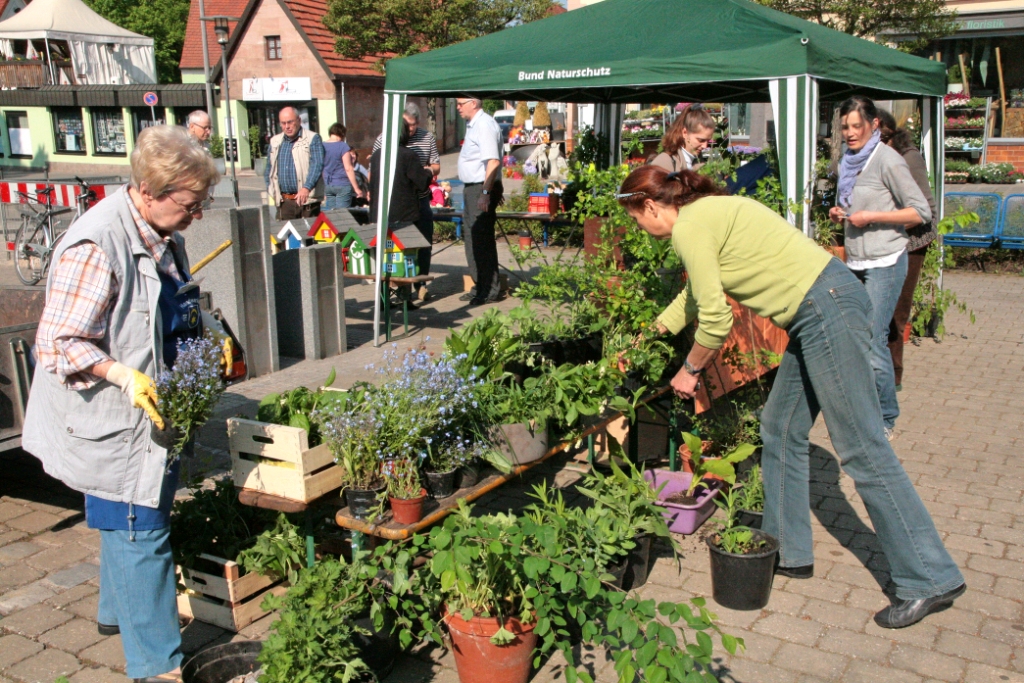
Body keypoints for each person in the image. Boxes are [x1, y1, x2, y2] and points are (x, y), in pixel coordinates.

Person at [616, 165, 965, 629]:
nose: (641, 228)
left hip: (826, 310)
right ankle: (789, 550)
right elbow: (694, 300)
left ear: (652, 205)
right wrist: (645, 338)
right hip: (821, 308)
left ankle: (930, 578)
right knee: (779, 428)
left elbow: (715, 321)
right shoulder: (704, 214)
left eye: (638, 219)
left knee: (862, 450)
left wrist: (690, 370)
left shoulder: (691, 227)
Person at [21, 125, 227, 682]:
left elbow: (167, 302)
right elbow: (58, 342)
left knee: (126, 509)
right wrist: (122, 373)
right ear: (150, 190)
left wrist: (210, 331)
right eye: (191, 203)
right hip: (112, 413)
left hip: (150, 408)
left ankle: (116, 614)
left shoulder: (161, 231)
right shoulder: (97, 244)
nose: (198, 214)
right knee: (139, 526)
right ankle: (155, 665)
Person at [828, 96, 931, 440]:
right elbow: (855, 200)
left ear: (873, 125)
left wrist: (872, 217)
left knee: (872, 340)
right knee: (856, 337)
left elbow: (920, 212)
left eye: (857, 126)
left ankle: (886, 417)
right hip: (856, 259)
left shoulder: (888, 160)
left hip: (886, 261)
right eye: (845, 127)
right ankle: (863, 408)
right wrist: (840, 212)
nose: (850, 132)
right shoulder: (848, 161)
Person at [876, 109, 939, 391]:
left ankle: (894, 377)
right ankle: (879, 373)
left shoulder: (909, 157)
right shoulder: (870, 157)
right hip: (882, 240)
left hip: (912, 242)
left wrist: (891, 218)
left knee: (896, 312)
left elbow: (928, 209)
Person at [373, 103, 441, 298]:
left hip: (420, 200)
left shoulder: (426, 138)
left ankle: (420, 283)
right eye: (406, 125)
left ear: (418, 122)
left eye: (412, 125)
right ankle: (401, 285)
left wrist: (427, 171)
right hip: (399, 202)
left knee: (424, 242)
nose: (409, 129)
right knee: (399, 246)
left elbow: (436, 166)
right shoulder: (382, 140)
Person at [456, 97, 505, 305]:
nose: (457, 107)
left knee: (481, 239)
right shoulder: (473, 125)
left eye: (460, 103)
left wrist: (486, 192)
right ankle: (479, 285)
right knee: (472, 237)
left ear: (473, 103)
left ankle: (489, 289)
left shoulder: (484, 124)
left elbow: (493, 161)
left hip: (480, 187)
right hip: (473, 187)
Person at [368, 124, 433, 232]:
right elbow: (422, 183)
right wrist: (428, 171)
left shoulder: (376, 156)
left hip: (379, 215)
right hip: (403, 217)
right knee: (406, 248)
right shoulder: (409, 155)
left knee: (385, 247)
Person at [265, 106, 325, 220]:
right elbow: (269, 168)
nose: (286, 126)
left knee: (308, 236)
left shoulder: (313, 138)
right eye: (283, 123)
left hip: (307, 202)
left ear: (298, 120)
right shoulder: (275, 141)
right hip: (284, 202)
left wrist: (306, 188)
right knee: (285, 236)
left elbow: (317, 165)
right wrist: (271, 189)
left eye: (290, 122)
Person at [650, 107, 715, 173]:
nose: (705, 146)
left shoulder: (703, 162)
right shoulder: (664, 163)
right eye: (701, 140)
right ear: (685, 133)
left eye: (708, 141)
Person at [322, 123, 363, 210]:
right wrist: (356, 188)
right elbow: (348, 168)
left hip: (328, 185)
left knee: (331, 216)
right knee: (342, 215)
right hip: (342, 184)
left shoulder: (322, 146)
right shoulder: (343, 146)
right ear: (342, 134)